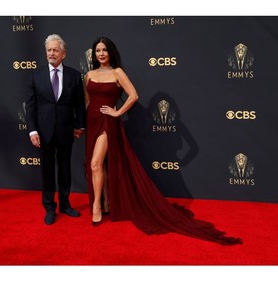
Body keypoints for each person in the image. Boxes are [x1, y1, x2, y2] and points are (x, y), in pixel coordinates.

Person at [84, 36, 242, 245]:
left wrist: (117, 113)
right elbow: (87, 100)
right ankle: (105, 203)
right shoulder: (89, 74)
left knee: (96, 163)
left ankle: (96, 206)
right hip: (92, 121)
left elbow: (133, 95)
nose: (101, 54)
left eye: (104, 50)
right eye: (97, 51)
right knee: (99, 165)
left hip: (107, 122)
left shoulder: (117, 73)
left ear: (110, 52)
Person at [26, 34, 86, 225]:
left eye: (55, 50)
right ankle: (49, 208)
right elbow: (31, 106)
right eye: (49, 50)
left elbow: (79, 104)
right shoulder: (36, 75)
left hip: (66, 130)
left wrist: (79, 126)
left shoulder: (74, 76)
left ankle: (66, 205)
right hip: (43, 132)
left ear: (63, 53)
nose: (51, 53)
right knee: (47, 171)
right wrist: (33, 131)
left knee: (65, 170)